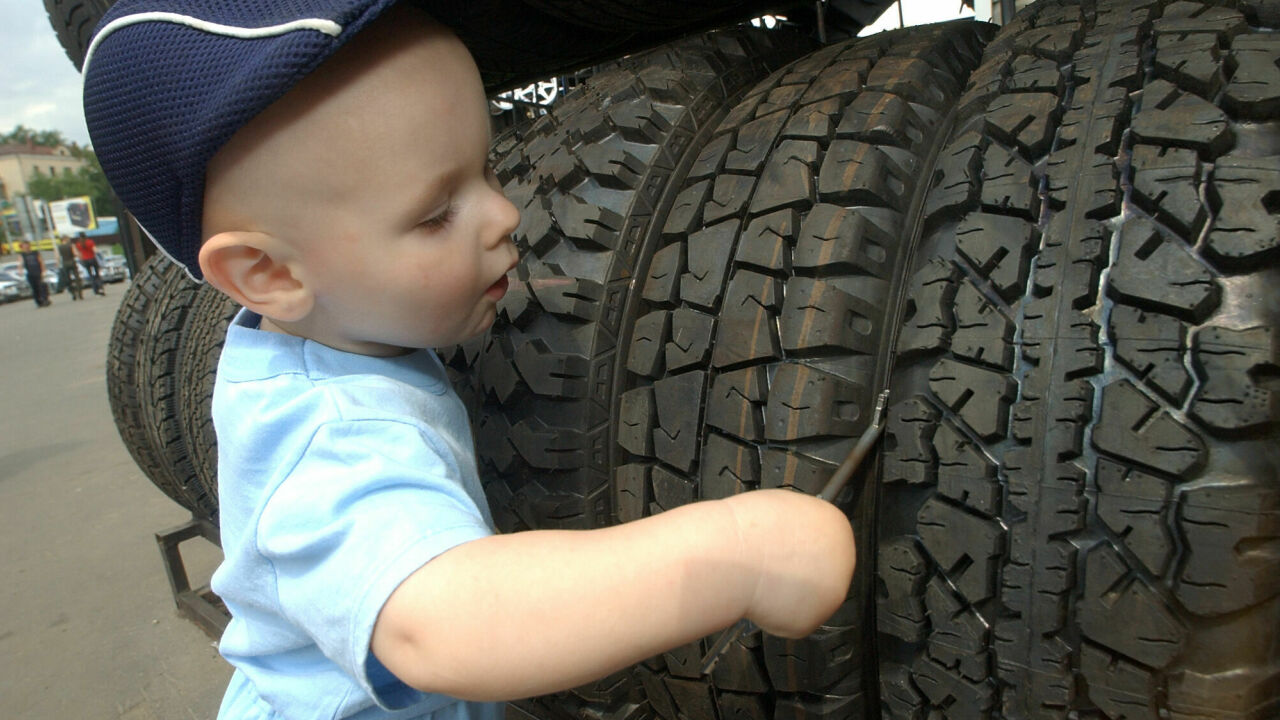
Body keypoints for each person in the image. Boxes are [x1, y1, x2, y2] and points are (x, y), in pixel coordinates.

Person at [82, 3, 857, 719]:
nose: (504, 213)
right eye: (434, 213)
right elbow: (442, 625)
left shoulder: (322, 333)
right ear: (271, 275)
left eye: (486, 168)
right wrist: (738, 555)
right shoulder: (331, 441)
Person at [18, 240, 51, 307]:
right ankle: (38, 301)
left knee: (42, 286)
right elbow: (20, 263)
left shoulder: (35, 253)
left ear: (29, 246)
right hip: (30, 274)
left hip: (38, 272)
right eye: (24, 245)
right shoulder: (22, 255)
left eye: (27, 245)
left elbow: (41, 262)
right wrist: (20, 270)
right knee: (34, 288)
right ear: (22, 247)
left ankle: (45, 299)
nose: (26, 247)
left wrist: (43, 271)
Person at [56, 235, 84, 300]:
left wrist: (57, 264)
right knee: (77, 278)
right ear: (65, 239)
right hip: (72, 262)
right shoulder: (71, 245)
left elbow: (57, 256)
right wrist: (79, 256)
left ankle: (73, 293)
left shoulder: (58, 247)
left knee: (68, 279)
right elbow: (75, 253)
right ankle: (80, 293)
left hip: (64, 263)